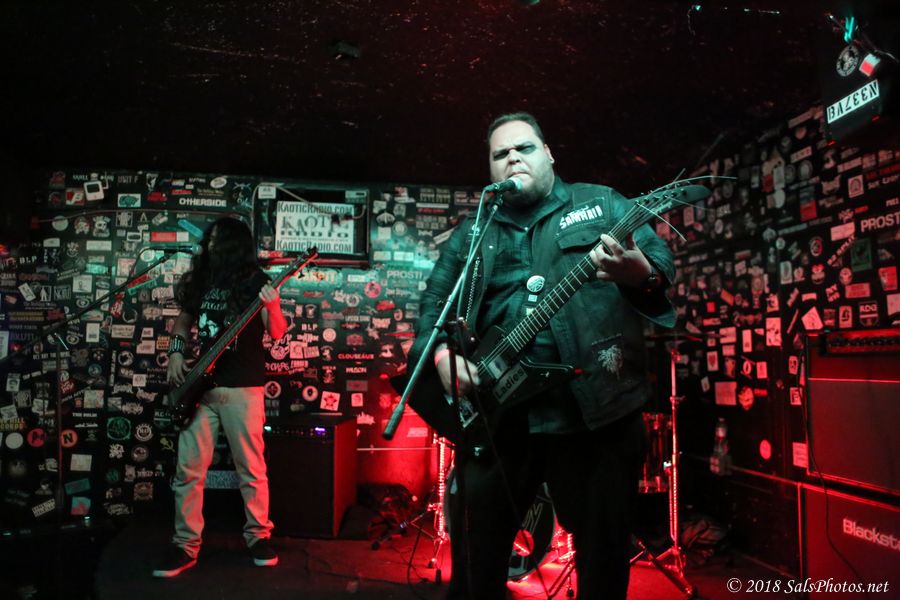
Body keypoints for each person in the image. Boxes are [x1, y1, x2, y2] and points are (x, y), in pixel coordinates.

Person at [409, 112, 676, 599]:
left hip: (594, 416)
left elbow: (658, 265)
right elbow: (434, 304)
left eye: (525, 148)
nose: (513, 157)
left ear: (549, 154)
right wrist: (443, 356)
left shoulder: (602, 203)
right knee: (476, 560)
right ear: (491, 170)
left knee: (603, 559)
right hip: (499, 420)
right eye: (500, 153)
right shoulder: (474, 231)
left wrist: (640, 273)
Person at [152, 217, 288, 578]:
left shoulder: (256, 281)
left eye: (215, 240)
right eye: (208, 240)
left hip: (243, 388)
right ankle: (185, 545)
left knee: (251, 469)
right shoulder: (203, 278)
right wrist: (176, 352)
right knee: (188, 470)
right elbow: (184, 319)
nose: (208, 245)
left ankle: (258, 536)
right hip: (202, 386)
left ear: (232, 245)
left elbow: (277, 332)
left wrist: (274, 306)